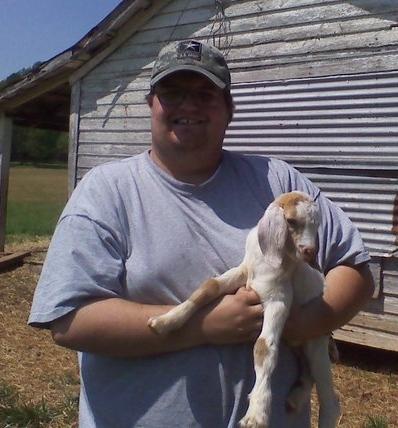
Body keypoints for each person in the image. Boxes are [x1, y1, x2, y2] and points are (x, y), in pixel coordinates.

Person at [29, 40, 374, 428]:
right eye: (172, 92)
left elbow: (355, 269)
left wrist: (300, 326)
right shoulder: (106, 192)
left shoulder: (278, 181)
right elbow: (70, 320)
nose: (188, 106)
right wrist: (203, 327)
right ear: (151, 105)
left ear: (229, 110)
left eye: (205, 94)